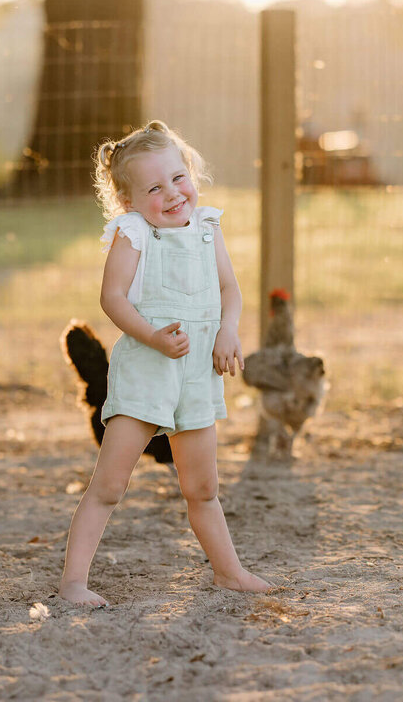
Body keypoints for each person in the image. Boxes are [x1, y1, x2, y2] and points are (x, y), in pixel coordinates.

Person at [59, 120, 273, 606]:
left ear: (190, 171)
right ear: (129, 201)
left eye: (179, 177)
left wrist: (228, 330)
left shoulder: (208, 227)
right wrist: (153, 336)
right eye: (155, 187)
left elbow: (229, 290)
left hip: (197, 372)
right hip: (147, 372)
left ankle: (229, 572)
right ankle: (74, 582)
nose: (174, 193)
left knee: (202, 487)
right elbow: (112, 298)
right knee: (110, 485)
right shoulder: (133, 234)